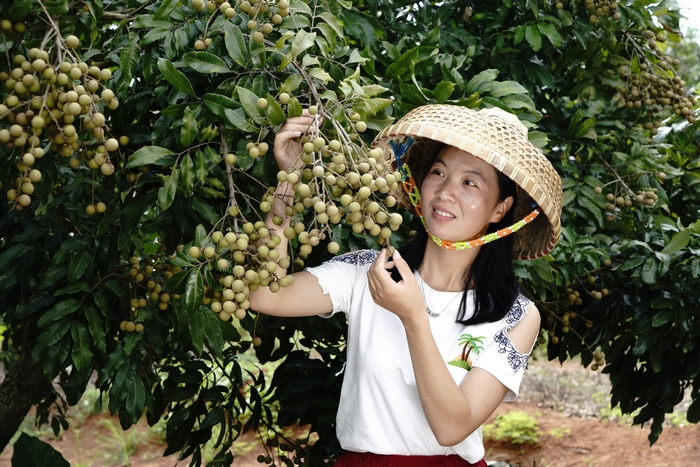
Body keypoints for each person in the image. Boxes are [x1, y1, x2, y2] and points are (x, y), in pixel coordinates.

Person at [249, 104, 563, 466]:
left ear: (500, 209)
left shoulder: (517, 316)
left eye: (470, 182)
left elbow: (451, 428)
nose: (445, 192)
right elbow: (264, 293)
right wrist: (288, 181)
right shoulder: (371, 272)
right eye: (438, 172)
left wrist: (413, 317)